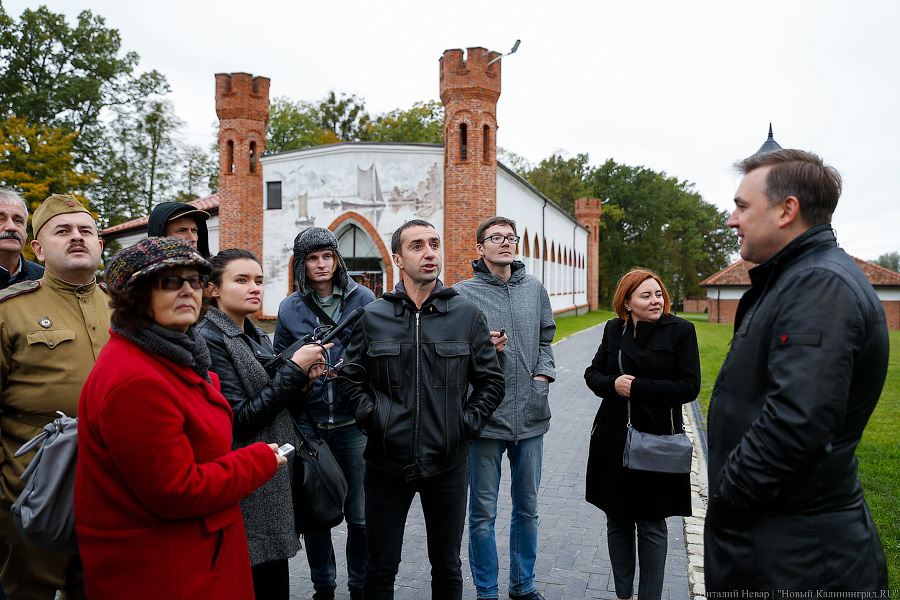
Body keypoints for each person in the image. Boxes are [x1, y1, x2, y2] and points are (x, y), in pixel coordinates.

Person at [704, 149, 890, 592]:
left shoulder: (819, 285)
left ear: (788, 210)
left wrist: (728, 498)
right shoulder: (796, 279)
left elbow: (797, 424)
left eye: (742, 206)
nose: (732, 220)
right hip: (777, 543)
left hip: (800, 556)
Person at [74, 238, 287, 599]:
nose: (188, 289)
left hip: (196, 553)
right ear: (136, 294)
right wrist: (259, 460)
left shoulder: (171, 352)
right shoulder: (136, 378)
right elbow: (177, 491)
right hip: (169, 569)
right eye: (171, 281)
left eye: (194, 280)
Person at [338, 219, 505, 600]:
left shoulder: (466, 315)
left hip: (447, 464)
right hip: (384, 465)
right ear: (397, 258)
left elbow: (491, 381)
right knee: (380, 569)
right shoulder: (373, 315)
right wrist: (373, 419)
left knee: (446, 567)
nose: (429, 252)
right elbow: (350, 379)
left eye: (434, 244)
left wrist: (463, 426)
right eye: (417, 246)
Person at [197, 248, 331, 600]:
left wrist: (304, 381)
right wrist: (293, 370)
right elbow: (239, 419)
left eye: (258, 280)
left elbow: (279, 402)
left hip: (271, 471)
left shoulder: (255, 333)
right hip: (246, 476)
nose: (254, 287)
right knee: (256, 578)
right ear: (212, 289)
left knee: (273, 576)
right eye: (241, 280)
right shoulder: (209, 337)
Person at [0, 194, 110, 600]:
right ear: (39, 249)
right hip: (30, 486)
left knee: (102, 586)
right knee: (30, 591)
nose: (77, 238)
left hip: (110, 484)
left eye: (86, 231)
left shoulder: (127, 309)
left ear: (100, 244)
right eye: (62, 231)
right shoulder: (9, 310)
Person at [453, 216, 556, 600]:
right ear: (480, 248)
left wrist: (542, 380)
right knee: (482, 516)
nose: (505, 243)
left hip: (531, 418)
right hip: (484, 420)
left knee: (526, 510)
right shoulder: (461, 294)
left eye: (510, 237)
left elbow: (547, 340)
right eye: (495, 238)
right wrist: (481, 351)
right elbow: (449, 353)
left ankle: (523, 586)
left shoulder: (535, 289)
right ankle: (486, 592)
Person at [584, 268, 699, 600]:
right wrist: (613, 384)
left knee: (651, 524)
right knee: (617, 518)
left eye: (658, 294)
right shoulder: (613, 330)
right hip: (613, 439)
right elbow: (593, 374)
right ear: (628, 302)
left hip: (657, 439)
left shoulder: (681, 330)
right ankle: (623, 594)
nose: (655, 301)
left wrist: (637, 387)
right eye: (646, 295)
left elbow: (690, 387)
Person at [273, 227, 376, 600]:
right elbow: (280, 363)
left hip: (353, 423)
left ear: (337, 260)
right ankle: (324, 587)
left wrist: (351, 369)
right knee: (317, 511)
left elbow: (377, 353)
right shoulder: (289, 308)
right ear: (302, 264)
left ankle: (360, 584)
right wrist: (304, 373)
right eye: (313, 258)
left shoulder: (362, 297)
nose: (321, 265)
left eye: (327, 257)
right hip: (310, 425)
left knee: (361, 515)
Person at [0, 190, 44, 288]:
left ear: (26, 233)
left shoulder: (42, 279)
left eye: (18, 221)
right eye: (0, 219)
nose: (12, 227)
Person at [147, 201, 212, 257]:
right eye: (181, 231)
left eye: (194, 230)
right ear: (161, 235)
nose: (193, 239)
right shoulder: (145, 271)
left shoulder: (213, 269)